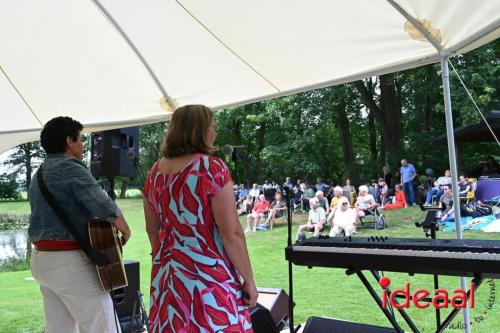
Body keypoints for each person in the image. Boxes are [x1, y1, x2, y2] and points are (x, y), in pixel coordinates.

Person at [142, 105, 256, 332]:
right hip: (207, 276)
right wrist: (249, 281)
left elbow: (152, 230)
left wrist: (167, 259)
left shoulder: (155, 172)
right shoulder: (211, 168)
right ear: (199, 130)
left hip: (167, 277)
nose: (214, 133)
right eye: (212, 127)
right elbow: (231, 232)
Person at [28, 116, 131, 333]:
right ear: (69, 141)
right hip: (67, 263)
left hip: (41, 260)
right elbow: (101, 204)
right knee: (103, 327)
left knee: (60, 328)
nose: (83, 145)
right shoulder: (69, 167)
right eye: (81, 139)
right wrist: (124, 227)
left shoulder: (39, 173)